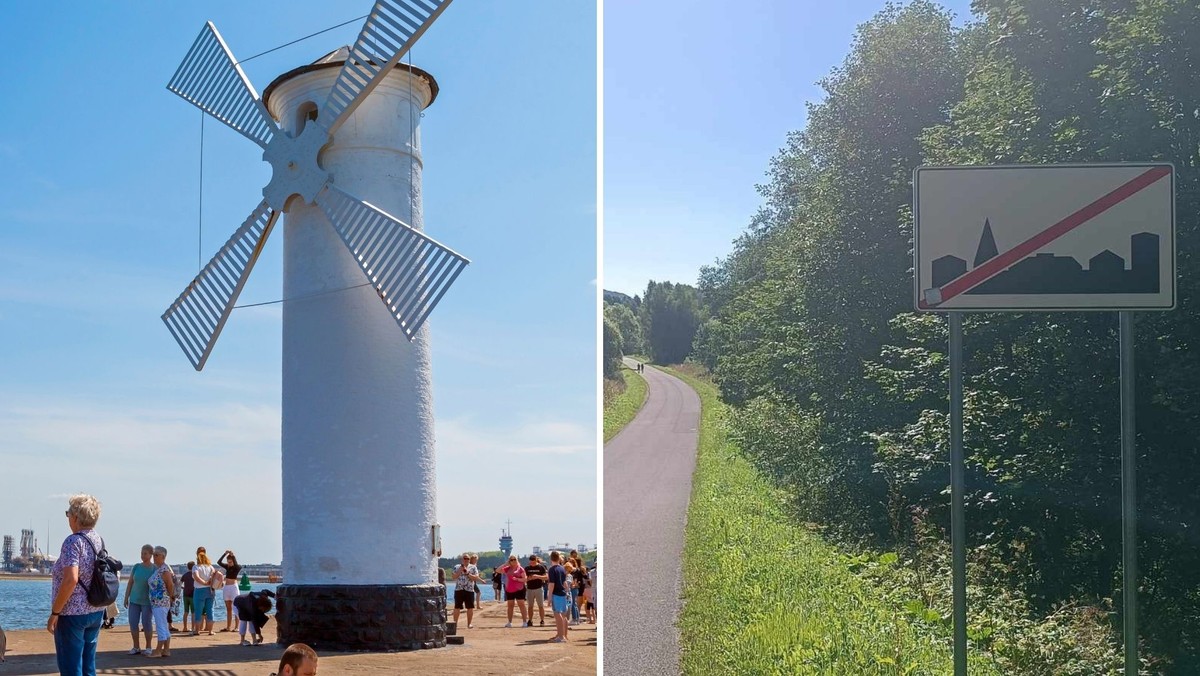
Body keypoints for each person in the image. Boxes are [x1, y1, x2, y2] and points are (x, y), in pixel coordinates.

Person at [47, 494, 108, 675]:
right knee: (88, 665)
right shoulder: (98, 540)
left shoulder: (72, 542)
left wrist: (55, 612)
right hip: (95, 610)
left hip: (72, 613)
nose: (68, 519)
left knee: (70, 667)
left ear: (75, 517)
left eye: (68, 514)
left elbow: (71, 579)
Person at [123, 544, 155, 656]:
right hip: (134, 600)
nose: (142, 555)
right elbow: (130, 582)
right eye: (141, 553)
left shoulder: (154, 568)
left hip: (147, 601)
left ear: (151, 554)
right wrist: (126, 597)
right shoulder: (136, 566)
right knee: (133, 623)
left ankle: (149, 646)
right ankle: (136, 647)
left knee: (146, 623)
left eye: (145, 553)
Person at [146, 546, 175, 658]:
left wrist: (170, 596)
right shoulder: (158, 569)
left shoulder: (164, 569)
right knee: (164, 625)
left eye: (156, 555)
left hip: (161, 602)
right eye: (154, 554)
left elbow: (170, 584)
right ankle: (166, 650)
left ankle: (158, 650)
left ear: (163, 556)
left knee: (160, 626)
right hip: (157, 602)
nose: (154, 557)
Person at [451, 553, 484, 629]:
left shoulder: (473, 567)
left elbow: (475, 578)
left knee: (470, 607)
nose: (466, 560)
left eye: (467, 559)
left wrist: (468, 573)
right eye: (464, 558)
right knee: (457, 607)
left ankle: (469, 624)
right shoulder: (457, 567)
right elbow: (453, 577)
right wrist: (460, 571)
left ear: (469, 560)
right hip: (459, 589)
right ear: (462, 559)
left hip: (469, 589)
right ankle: (454, 624)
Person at [190, 547, 217, 636]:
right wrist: (208, 583)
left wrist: (204, 583)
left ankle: (197, 630)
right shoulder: (210, 567)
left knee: (198, 610)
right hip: (210, 590)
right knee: (210, 609)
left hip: (199, 590)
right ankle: (210, 631)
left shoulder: (196, 567)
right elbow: (214, 576)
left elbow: (196, 577)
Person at [497, 555, 528, 628]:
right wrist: (505, 564)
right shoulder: (507, 568)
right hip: (509, 589)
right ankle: (509, 622)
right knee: (510, 605)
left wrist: (517, 579)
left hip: (519, 589)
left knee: (521, 605)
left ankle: (524, 622)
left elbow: (525, 579)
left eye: (515, 559)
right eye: (511, 560)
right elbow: (498, 570)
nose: (513, 561)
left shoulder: (520, 569)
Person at [216, 550, 242, 632]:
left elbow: (236, 563)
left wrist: (232, 555)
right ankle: (228, 627)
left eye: (230, 562)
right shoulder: (227, 567)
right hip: (226, 587)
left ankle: (237, 627)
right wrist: (225, 554)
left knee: (236, 608)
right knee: (228, 608)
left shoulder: (237, 567)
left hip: (233, 588)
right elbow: (219, 562)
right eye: (228, 562)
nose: (229, 563)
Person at [546, 551, 569, 643]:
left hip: (556, 593)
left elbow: (552, 584)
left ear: (551, 559)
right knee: (563, 615)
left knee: (557, 614)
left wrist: (549, 596)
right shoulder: (562, 568)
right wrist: (567, 592)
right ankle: (564, 635)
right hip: (563, 593)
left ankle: (560, 636)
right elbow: (565, 583)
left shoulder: (552, 569)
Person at [523, 555, 549, 627]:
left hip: (539, 588)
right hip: (530, 588)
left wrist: (538, 576)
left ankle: (542, 620)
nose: (532, 564)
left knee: (540, 605)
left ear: (536, 561)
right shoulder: (527, 568)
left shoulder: (541, 567)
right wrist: (529, 578)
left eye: (533, 563)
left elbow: (546, 577)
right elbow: (524, 578)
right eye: (531, 563)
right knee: (530, 606)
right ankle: (530, 620)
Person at [180, 561, 195, 633]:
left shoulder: (185, 575)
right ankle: (193, 627)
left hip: (185, 594)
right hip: (193, 594)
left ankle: (185, 627)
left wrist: (183, 588)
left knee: (186, 612)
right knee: (193, 612)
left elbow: (180, 584)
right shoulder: (194, 575)